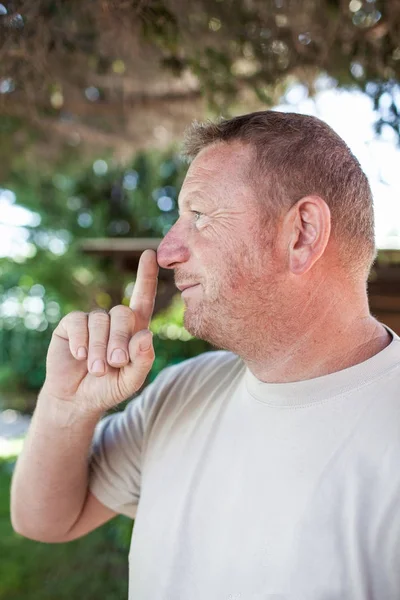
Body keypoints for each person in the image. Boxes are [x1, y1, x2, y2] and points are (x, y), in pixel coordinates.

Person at [10, 110, 400, 600]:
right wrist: (68, 407)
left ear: (301, 233)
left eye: (199, 215)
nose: (167, 249)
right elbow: (44, 520)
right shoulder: (183, 391)